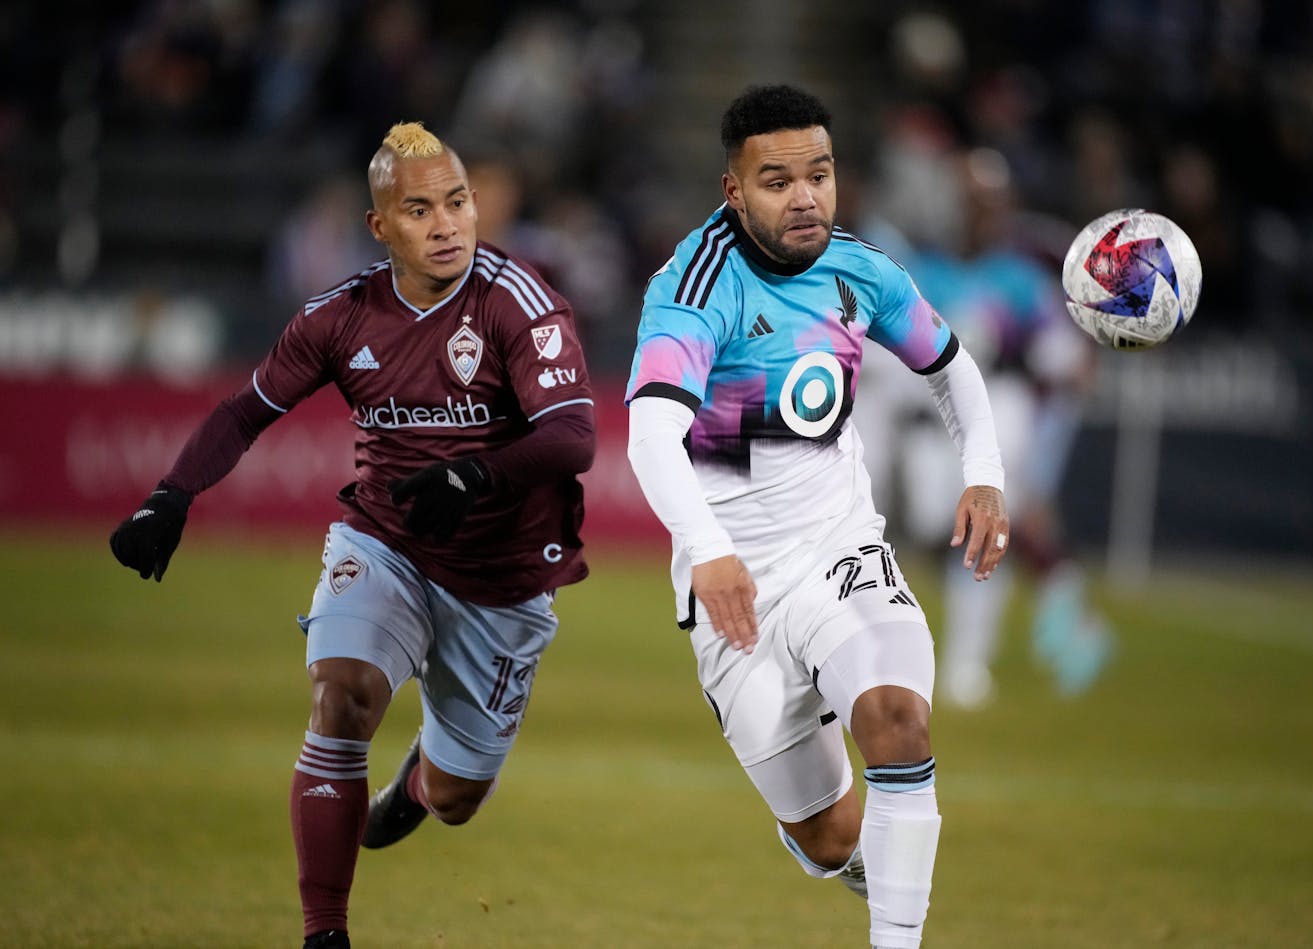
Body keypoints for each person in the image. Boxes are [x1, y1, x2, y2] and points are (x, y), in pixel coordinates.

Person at [108, 121, 596, 949]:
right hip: (386, 544)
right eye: (420, 210)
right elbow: (244, 410)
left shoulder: (520, 301)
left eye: (458, 201)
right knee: (341, 698)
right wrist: (170, 496)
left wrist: (474, 473)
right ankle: (323, 934)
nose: (447, 224)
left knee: (457, 796)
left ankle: (415, 784)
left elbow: (573, 435)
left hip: (504, 577)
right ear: (381, 227)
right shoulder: (340, 316)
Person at [624, 84, 1009, 949]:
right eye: (777, 181)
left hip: (840, 547)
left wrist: (982, 473)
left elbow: (950, 367)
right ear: (734, 191)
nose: (805, 197)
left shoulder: (861, 269)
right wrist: (711, 549)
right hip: (735, 587)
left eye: (820, 175)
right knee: (830, 835)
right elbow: (651, 435)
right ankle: (838, 849)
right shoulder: (692, 287)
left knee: (898, 722)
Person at [859, 143, 1111, 709]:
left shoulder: (1021, 280)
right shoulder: (916, 269)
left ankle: (968, 664)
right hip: (920, 425)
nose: (980, 213)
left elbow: (1061, 357)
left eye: (991, 202)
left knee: (983, 535)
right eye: (972, 200)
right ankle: (1059, 595)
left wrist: (1083, 355)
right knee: (920, 532)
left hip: (996, 417)